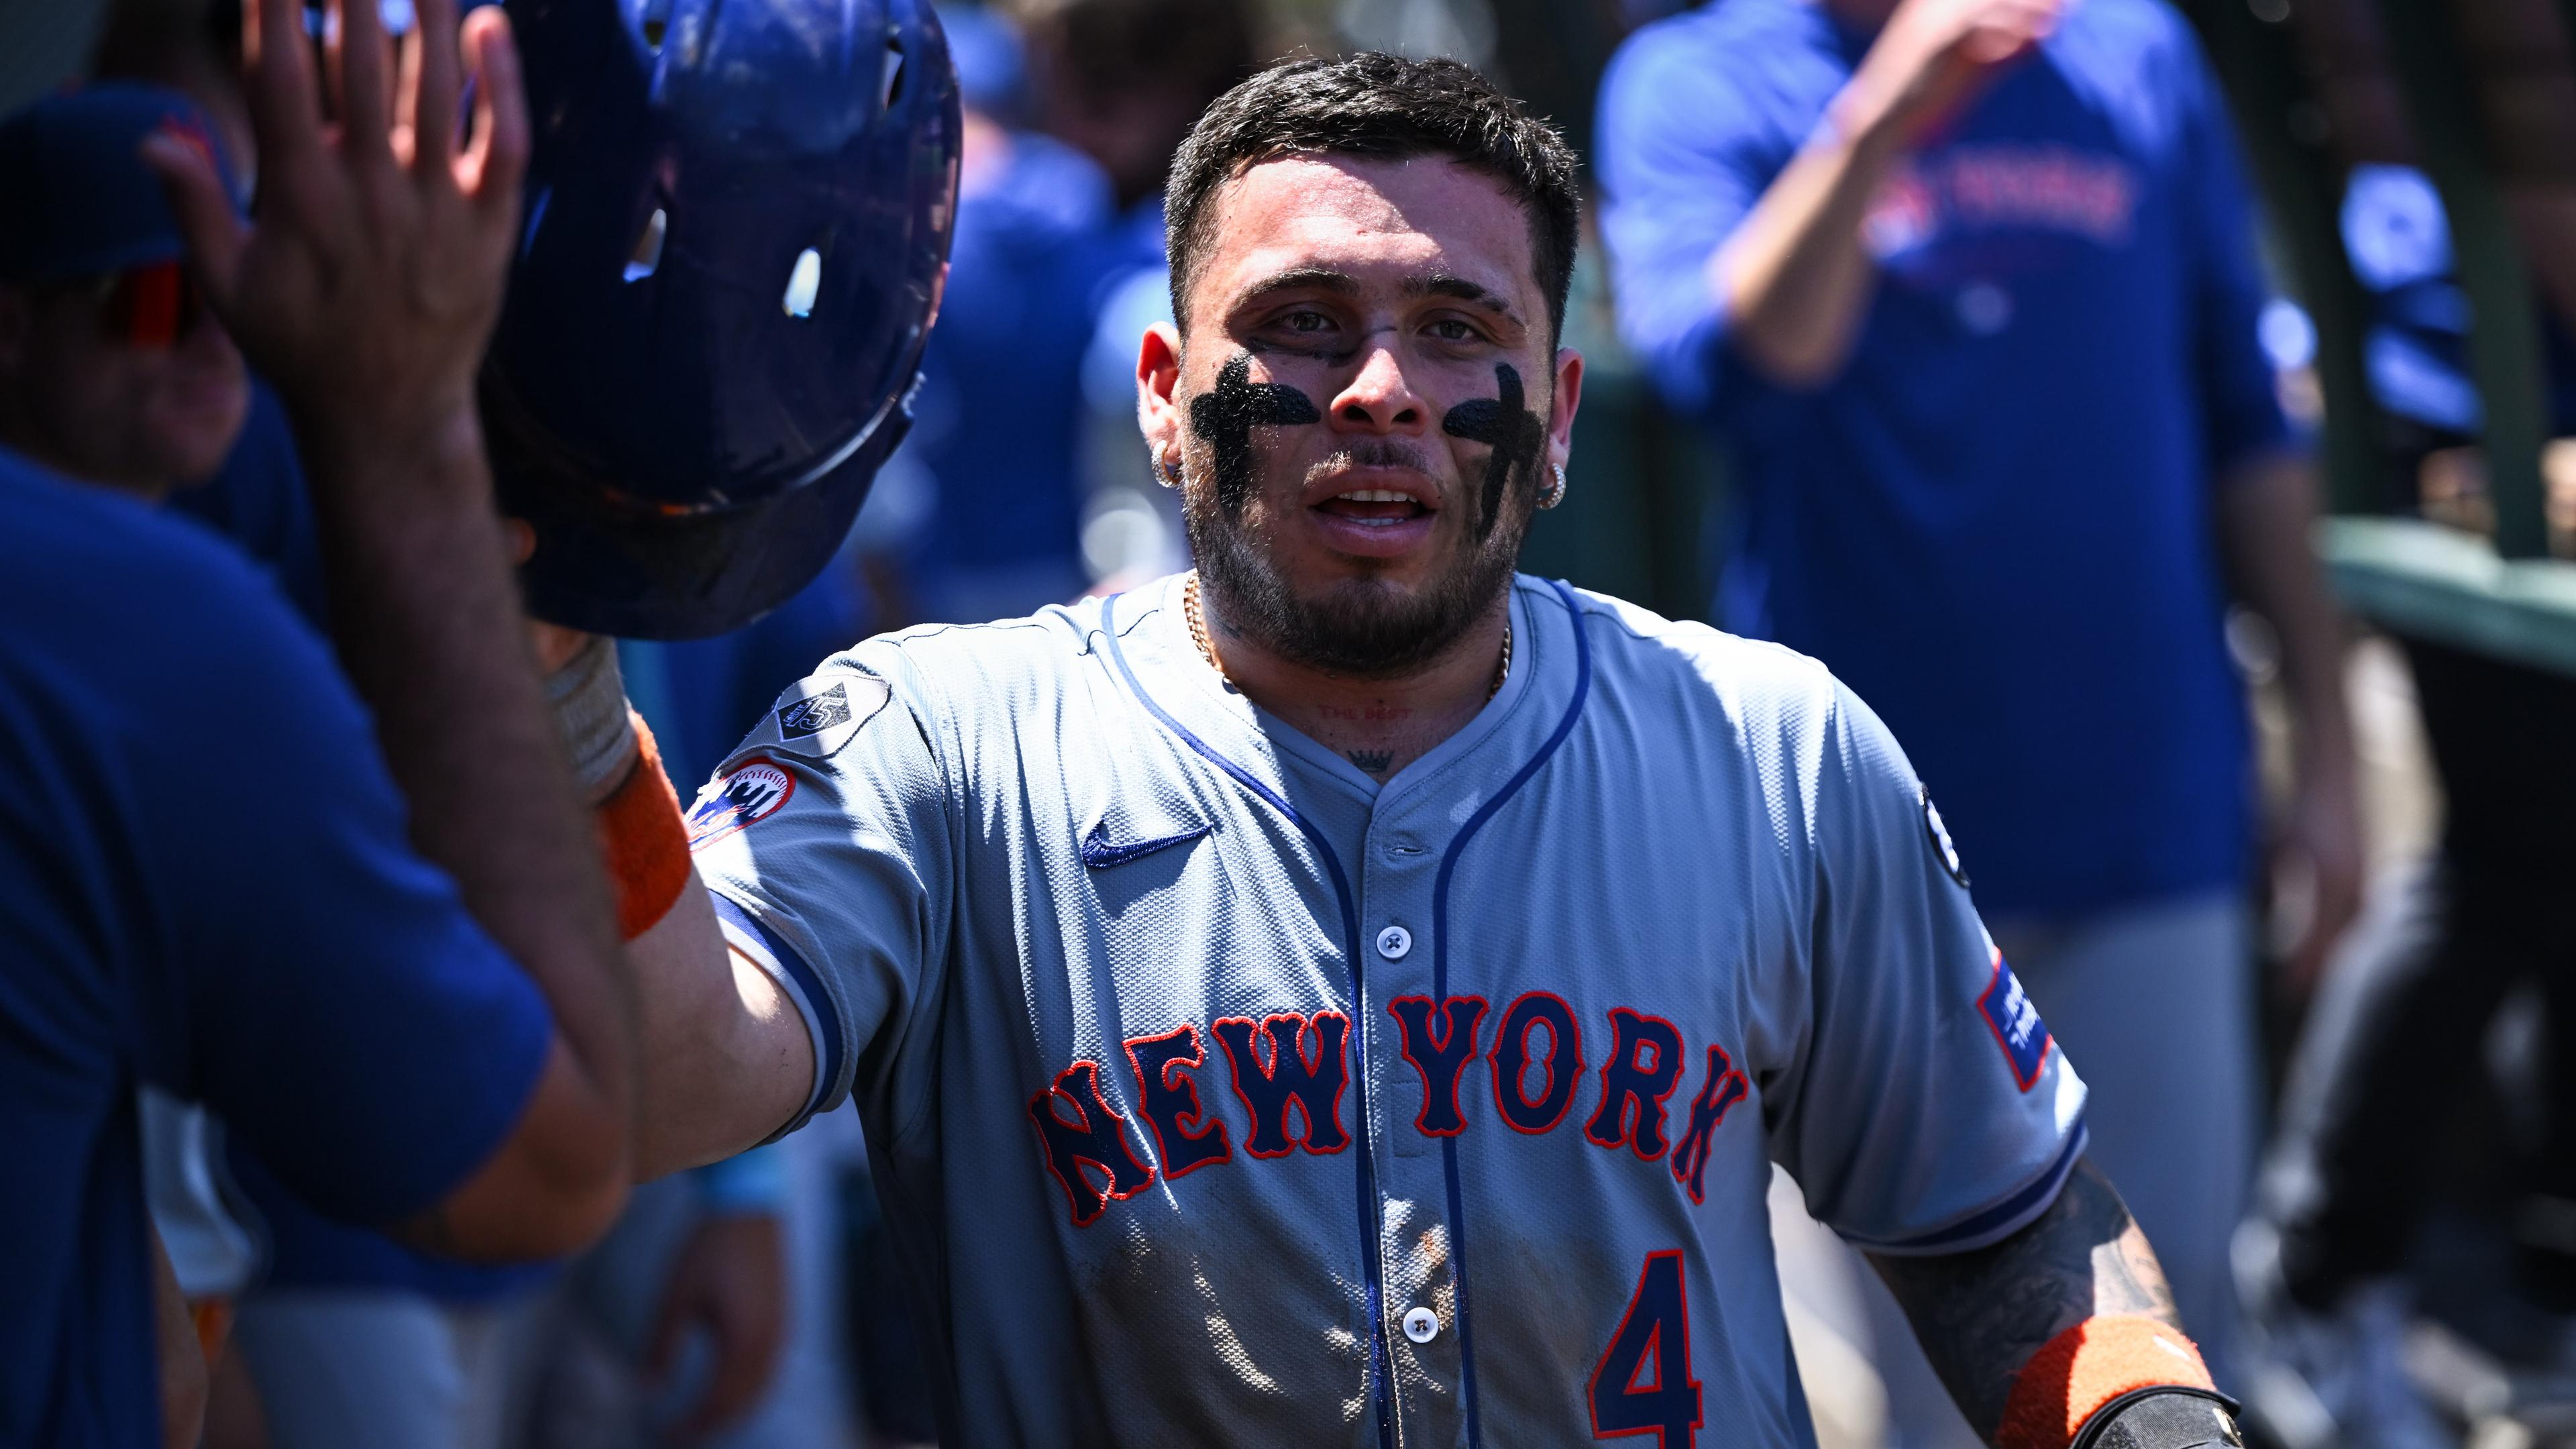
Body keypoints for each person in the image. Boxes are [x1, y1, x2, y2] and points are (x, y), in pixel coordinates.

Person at [570, 50, 2243, 1447]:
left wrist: (2152, 1422)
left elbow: (2005, 1215)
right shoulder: (945, 745)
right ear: (1164, 393)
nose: (1380, 389)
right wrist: (554, 633)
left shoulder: (1773, 749)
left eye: (1458, 329)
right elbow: (670, 1073)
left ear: (1559, 416)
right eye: (1300, 321)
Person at [1595, 0, 2363, 1418]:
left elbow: (2245, 414)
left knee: (2183, 1354)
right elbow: (1736, 367)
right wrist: (1891, 106)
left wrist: (2326, 742)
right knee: (1954, 1386)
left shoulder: (2130, 50)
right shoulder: (1694, 77)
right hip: (1862, 853)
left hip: (2148, 802)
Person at [0, 3, 638, 1440]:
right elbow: (551, 1158)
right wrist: (405, 423)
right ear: (13, 327)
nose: (221, 336)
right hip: (373, 1235)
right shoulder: (140, 624)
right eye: (155, 298)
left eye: (236, 285)